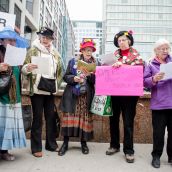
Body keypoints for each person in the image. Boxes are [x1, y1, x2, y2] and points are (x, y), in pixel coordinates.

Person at [22, 27, 63, 157]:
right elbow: (24, 67)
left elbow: (60, 71)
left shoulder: (55, 53)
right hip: (37, 88)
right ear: (39, 37)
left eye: (47, 37)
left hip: (50, 88)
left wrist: (57, 83)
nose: (45, 40)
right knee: (38, 119)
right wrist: (27, 68)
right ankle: (36, 147)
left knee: (50, 118)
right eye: (43, 37)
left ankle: (51, 144)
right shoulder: (33, 50)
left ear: (51, 39)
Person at [105, 31, 143, 163]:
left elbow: (140, 70)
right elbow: (105, 70)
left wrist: (124, 66)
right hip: (114, 93)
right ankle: (114, 145)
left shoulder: (136, 55)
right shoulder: (113, 55)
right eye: (119, 41)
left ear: (129, 41)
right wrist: (109, 66)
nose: (121, 42)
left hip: (130, 96)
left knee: (128, 123)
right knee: (113, 120)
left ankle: (129, 150)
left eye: (123, 40)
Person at [58, 38, 96, 156]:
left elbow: (97, 81)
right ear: (82, 51)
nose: (88, 52)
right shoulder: (72, 61)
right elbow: (66, 76)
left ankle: (83, 143)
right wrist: (73, 78)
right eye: (86, 50)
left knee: (84, 120)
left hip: (86, 96)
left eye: (90, 50)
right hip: (73, 95)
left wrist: (90, 76)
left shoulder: (96, 64)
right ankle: (65, 143)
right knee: (69, 118)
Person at [0, 27, 28, 161]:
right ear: (2, 41)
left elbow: (20, 71)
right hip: (2, 96)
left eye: (14, 40)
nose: (12, 42)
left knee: (7, 126)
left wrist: (27, 68)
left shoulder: (17, 55)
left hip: (13, 96)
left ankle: (4, 150)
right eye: (9, 40)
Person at [144, 38, 172, 168]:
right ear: (156, 50)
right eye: (162, 48)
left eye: (167, 48)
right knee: (158, 133)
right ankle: (156, 156)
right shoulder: (150, 64)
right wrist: (154, 79)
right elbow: (144, 82)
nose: (165, 51)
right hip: (159, 104)